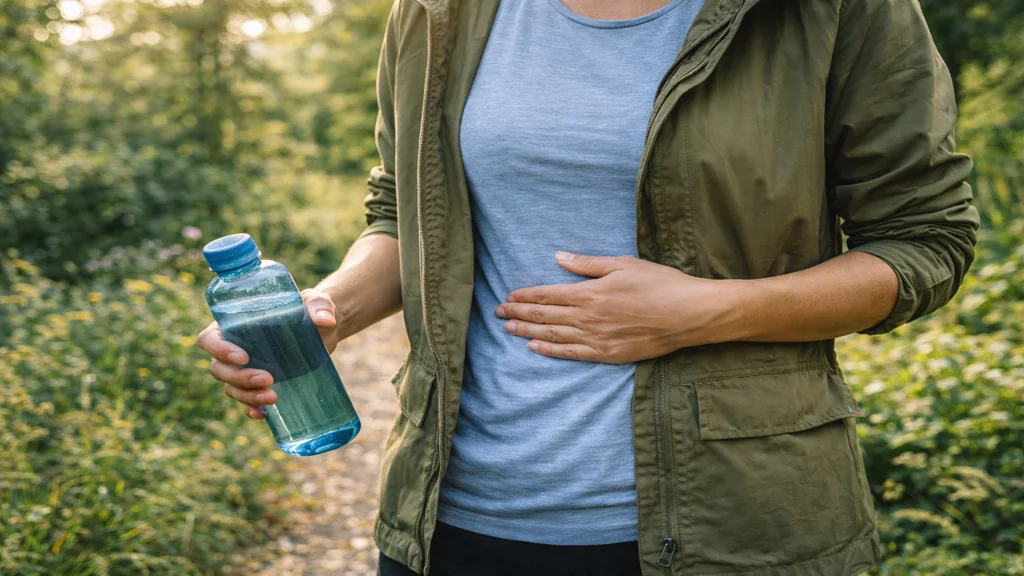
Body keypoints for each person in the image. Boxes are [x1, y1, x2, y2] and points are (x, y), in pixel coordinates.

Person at [197, 0, 980, 573]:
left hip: (735, 530)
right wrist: (329, 311)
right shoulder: (438, 11)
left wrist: (703, 313)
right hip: (453, 521)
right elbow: (407, 211)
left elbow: (926, 240)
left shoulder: (833, 12)